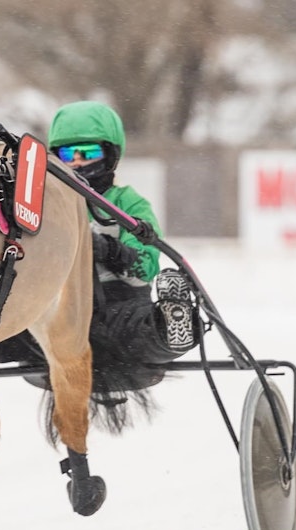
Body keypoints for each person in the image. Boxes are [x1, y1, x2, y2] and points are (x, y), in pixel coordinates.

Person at [47, 101, 198, 368]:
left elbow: (147, 265)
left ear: (110, 153)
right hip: (59, 312)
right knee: (12, 330)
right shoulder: (47, 202)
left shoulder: (128, 203)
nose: (78, 163)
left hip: (116, 305)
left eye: (88, 153)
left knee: (135, 330)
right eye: (68, 155)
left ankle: (172, 322)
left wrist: (107, 249)